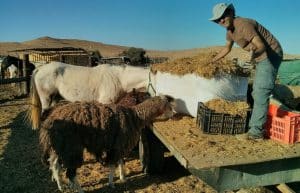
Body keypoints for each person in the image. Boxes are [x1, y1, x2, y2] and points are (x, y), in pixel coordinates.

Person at [209, 3, 283, 140]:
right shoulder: (230, 32)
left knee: (261, 91)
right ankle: (257, 125)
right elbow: (227, 48)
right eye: (217, 20)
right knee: (256, 91)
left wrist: (251, 57)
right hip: (259, 56)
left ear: (231, 12)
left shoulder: (242, 24)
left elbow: (260, 46)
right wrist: (212, 61)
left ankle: (255, 133)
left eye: (223, 16)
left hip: (271, 54)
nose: (221, 21)